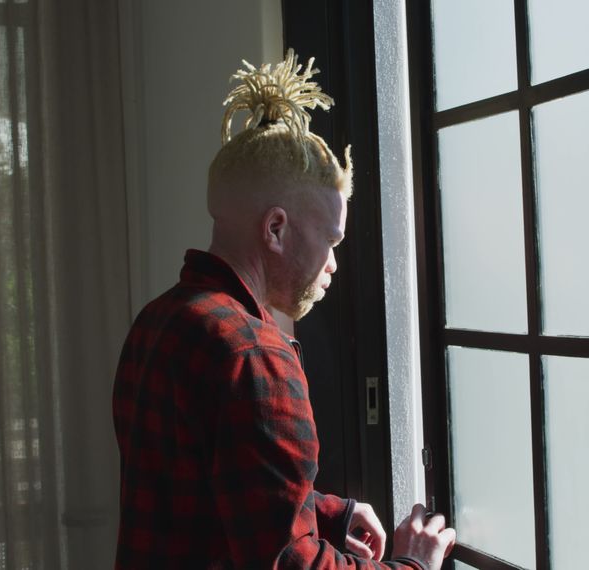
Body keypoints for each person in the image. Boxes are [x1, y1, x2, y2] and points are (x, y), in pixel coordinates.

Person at [112, 50, 456, 569]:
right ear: (275, 229)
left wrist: (329, 512)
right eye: (331, 241)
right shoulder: (255, 357)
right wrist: (412, 566)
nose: (334, 265)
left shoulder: (158, 321)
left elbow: (210, 488)